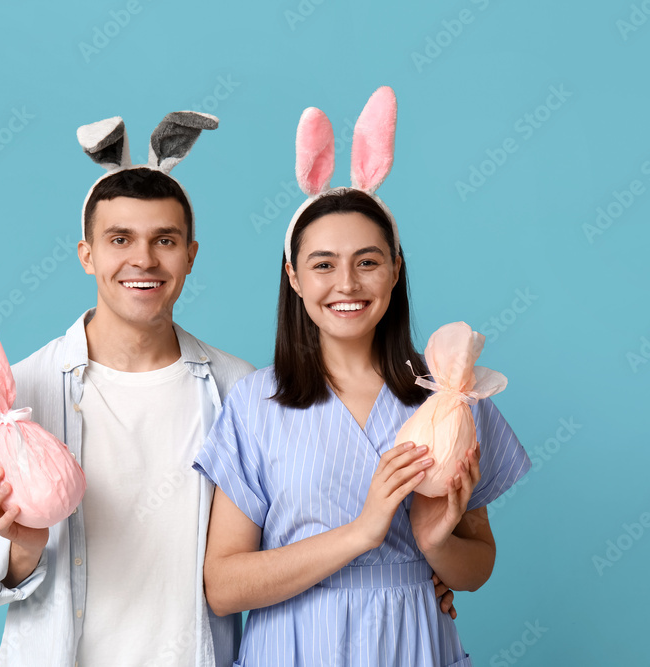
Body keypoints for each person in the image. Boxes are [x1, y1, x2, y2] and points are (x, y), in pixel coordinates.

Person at [194, 88, 531, 666]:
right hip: (293, 648)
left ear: (396, 271)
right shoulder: (257, 402)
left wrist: (434, 543)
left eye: (368, 261)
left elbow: (476, 570)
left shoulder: (450, 394)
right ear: (294, 278)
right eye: (323, 264)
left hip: (414, 643)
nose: (346, 284)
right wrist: (363, 530)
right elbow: (224, 587)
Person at [0, 111, 255, 666]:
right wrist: (22, 550)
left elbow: (280, 537)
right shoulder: (17, 393)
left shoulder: (239, 389)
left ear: (190, 256)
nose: (143, 259)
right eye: (120, 239)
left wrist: (419, 572)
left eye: (165, 240)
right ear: (87, 255)